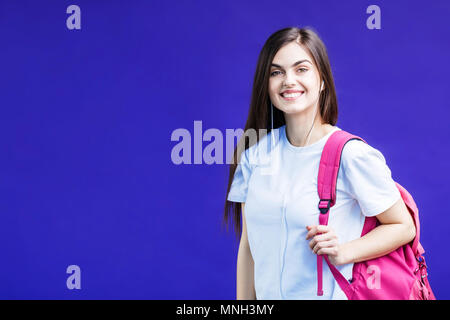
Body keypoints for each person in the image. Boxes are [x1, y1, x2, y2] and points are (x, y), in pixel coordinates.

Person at [223, 26, 416, 300]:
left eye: (301, 69)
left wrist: (346, 250)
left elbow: (403, 226)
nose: (288, 80)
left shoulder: (350, 155)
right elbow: (248, 246)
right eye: (276, 72)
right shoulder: (253, 154)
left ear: (322, 80)